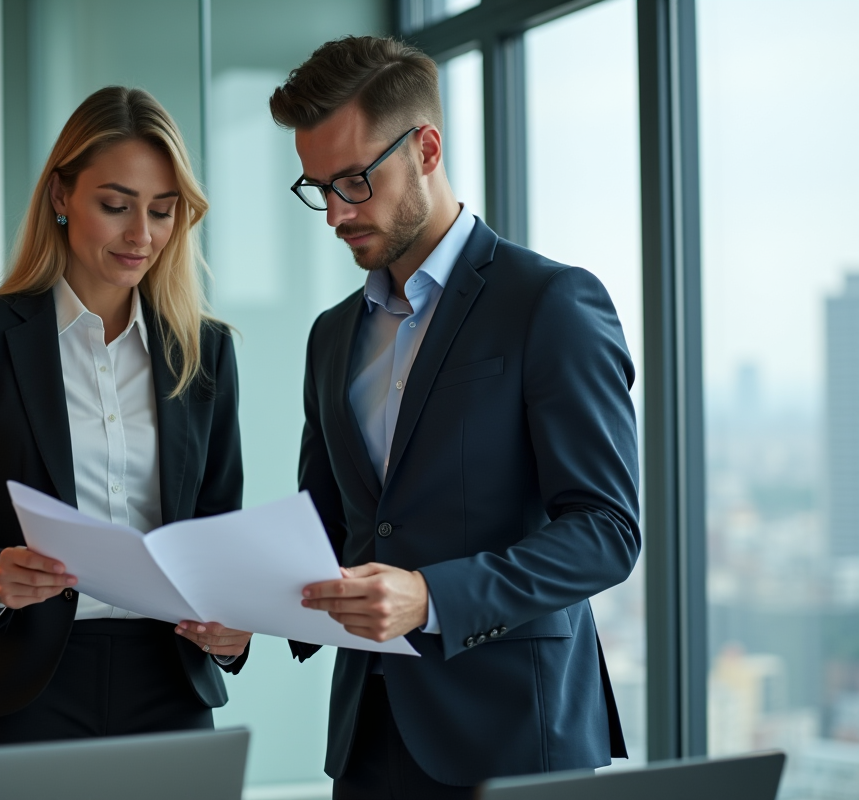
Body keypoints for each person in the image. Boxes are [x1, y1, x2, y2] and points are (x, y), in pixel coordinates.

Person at [270, 37, 639, 798]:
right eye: (318, 188)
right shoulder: (331, 335)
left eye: (354, 182)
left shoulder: (550, 304)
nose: (336, 213)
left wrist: (432, 598)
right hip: (369, 740)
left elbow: (606, 531)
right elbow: (331, 525)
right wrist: (246, 606)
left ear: (426, 148)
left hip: (514, 741)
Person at [0, 86, 252, 746]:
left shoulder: (206, 352)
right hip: (23, 687)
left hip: (171, 682)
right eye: (115, 205)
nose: (141, 235)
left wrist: (232, 628)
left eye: (162, 210)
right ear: (61, 196)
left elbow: (218, 536)